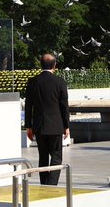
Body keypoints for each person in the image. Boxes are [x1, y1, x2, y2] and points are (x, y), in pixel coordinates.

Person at [24, 53, 70, 186]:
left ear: (41, 64)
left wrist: (29, 126)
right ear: (54, 65)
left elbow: (28, 106)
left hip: (39, 126)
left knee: (42, 157)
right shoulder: (60, 82)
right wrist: (66, 126)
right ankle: (51, 185)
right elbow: (64, 106)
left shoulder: (33, 82)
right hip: (56, 126)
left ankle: (44, 184)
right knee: (56, 157)